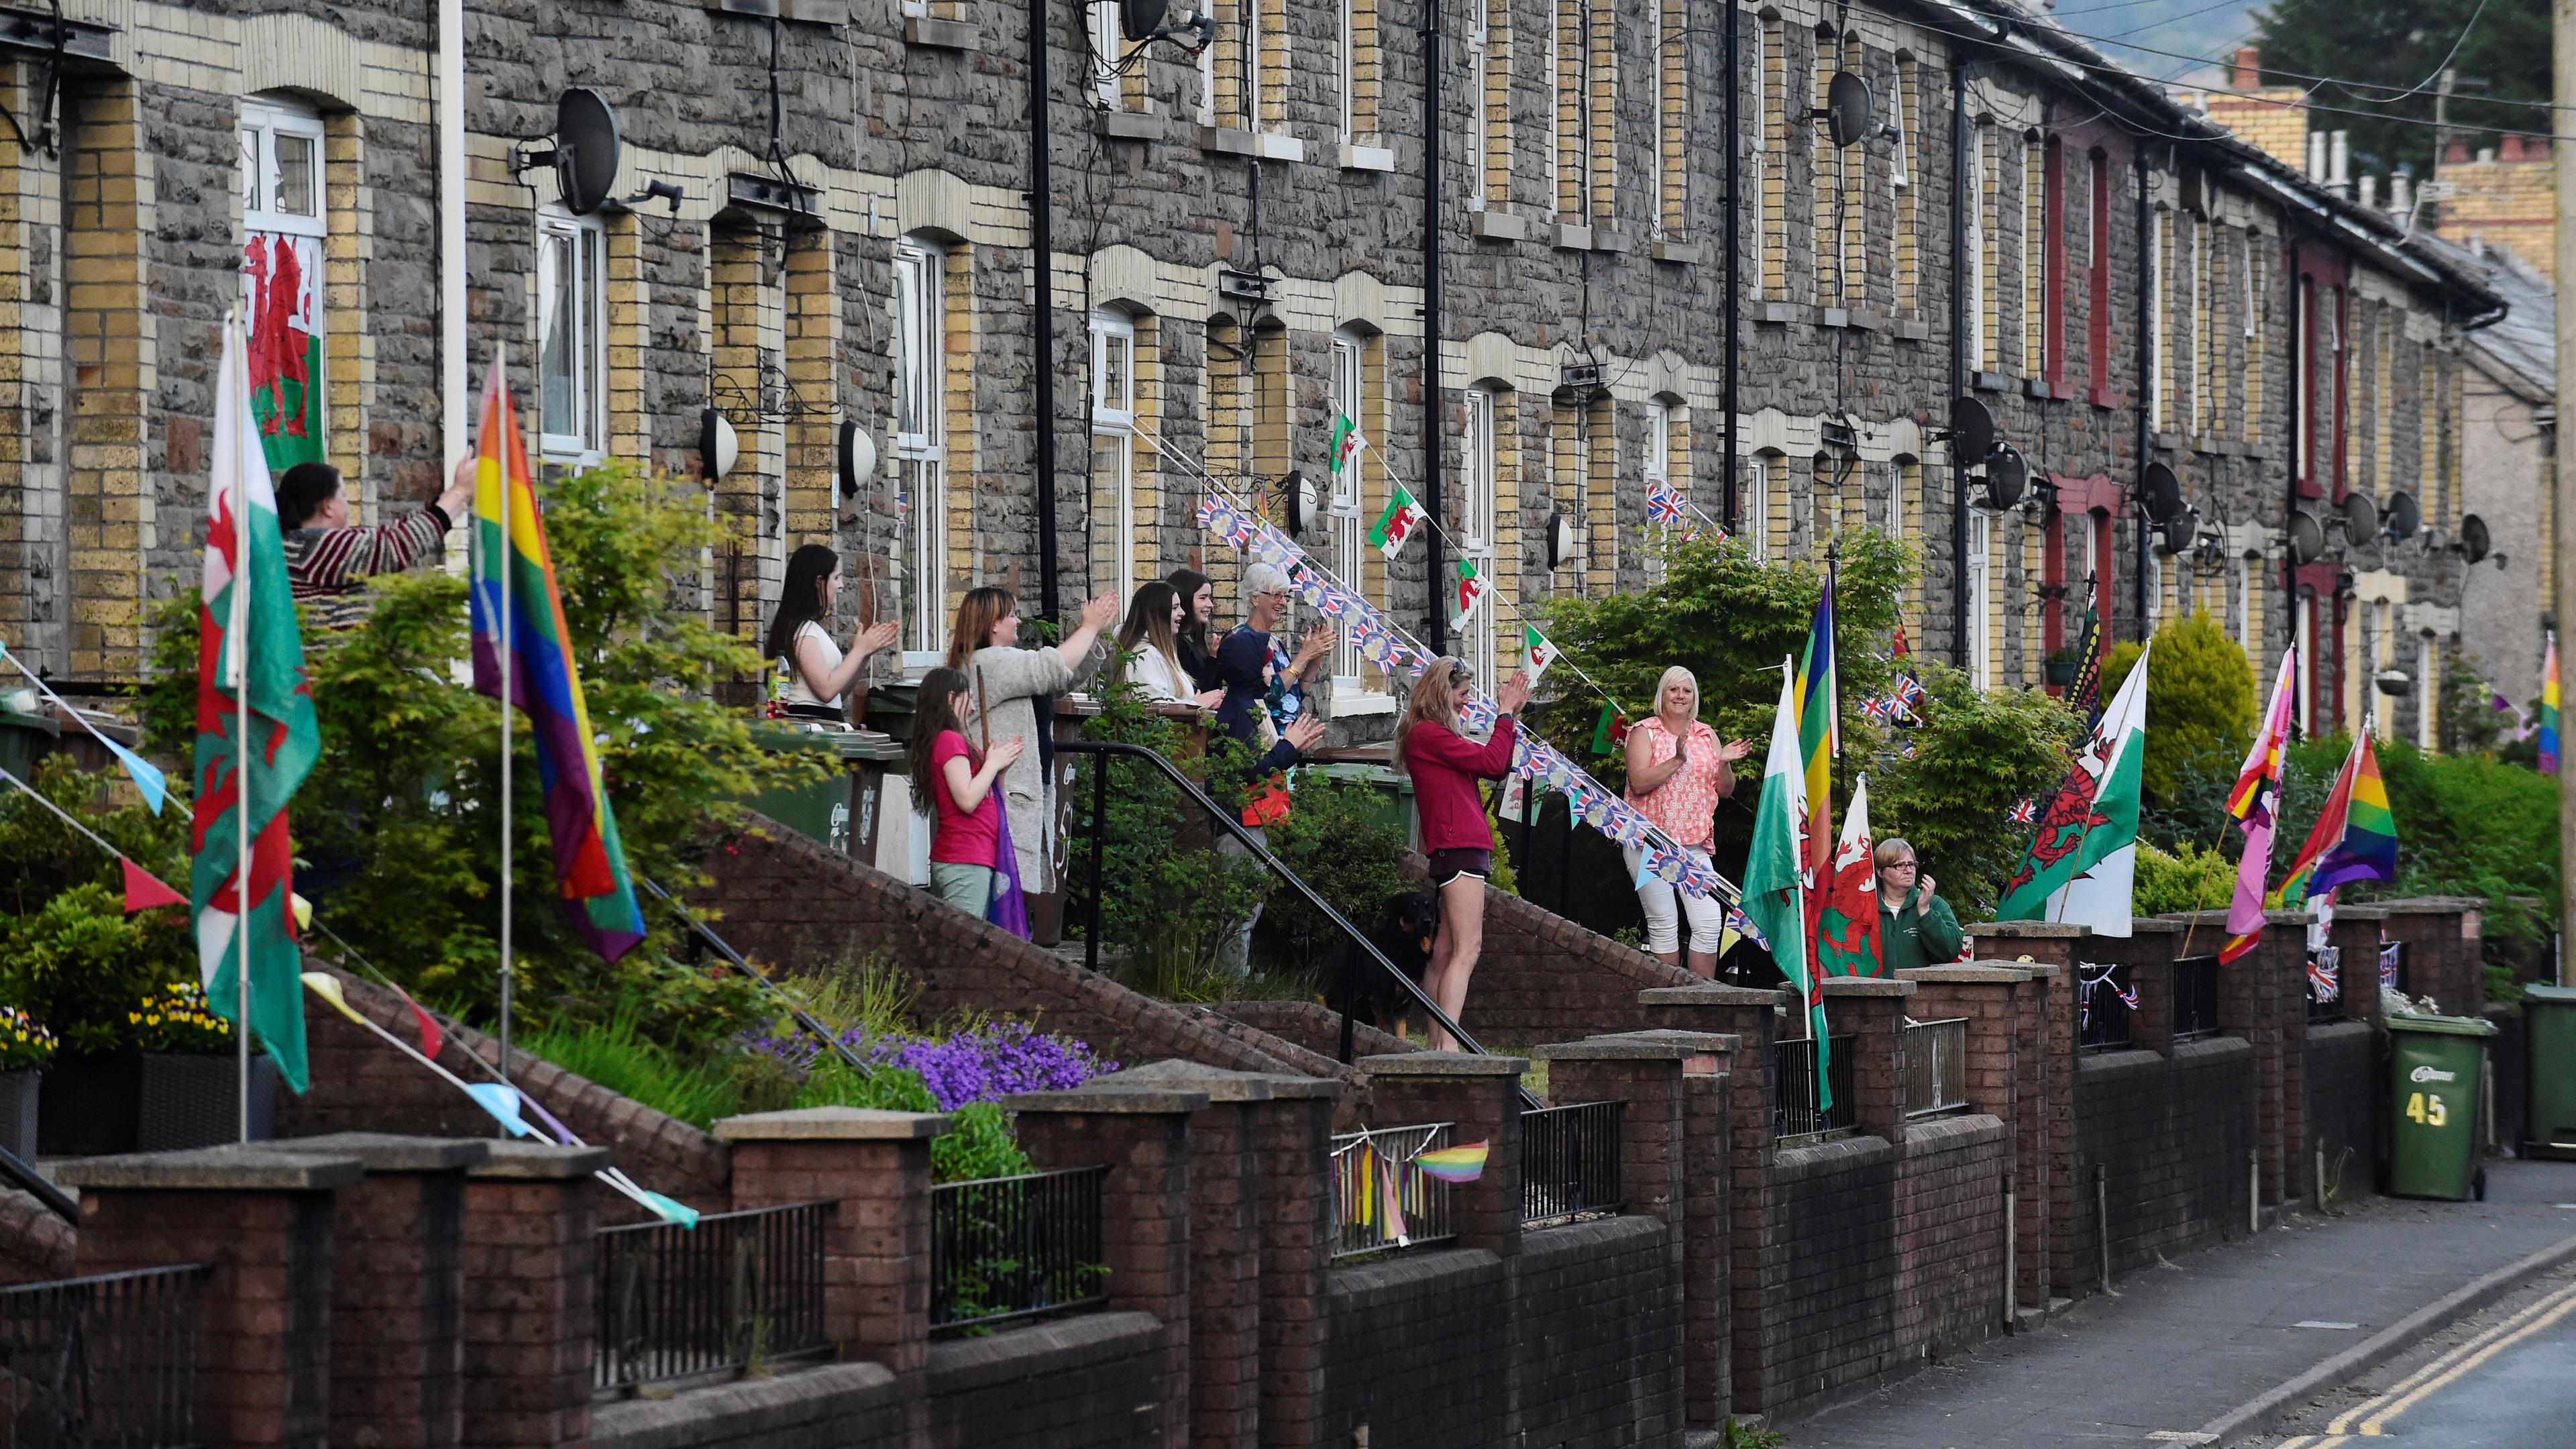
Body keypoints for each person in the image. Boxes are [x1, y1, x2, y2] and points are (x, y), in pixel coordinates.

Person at [946, 584, 1120, 896]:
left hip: (1020, 789)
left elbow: (1058, 681)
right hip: (1002, 794)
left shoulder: (1003, 662)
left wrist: (1091, 634)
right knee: (1002, 900)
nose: (1018, 621)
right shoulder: (988, 662)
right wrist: (1088, 627)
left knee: (1010, 899)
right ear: (992, 623)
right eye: (1011, 615)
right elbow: (1049, 668)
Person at [1397, 657, 1532, 1051]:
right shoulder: (1430, 735)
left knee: (1444, 952)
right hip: (1460, 846)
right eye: (1461, 695)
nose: (1466, 703)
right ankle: (1449, 1046)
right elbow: (1492, 764)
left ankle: (1439, 1042)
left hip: (1453, 845)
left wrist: (1510, 720)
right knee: (1468, 949)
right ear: (1441, 693)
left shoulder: (1432, 735)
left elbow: (1497, 761)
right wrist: (1504, 714)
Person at [1621, 665, 1754, 977]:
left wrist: (1723, 763)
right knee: (1664, 922)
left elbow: (1725, 791)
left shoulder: (1706, 734)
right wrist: (1678, 759)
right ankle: (1671, 1002)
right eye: (1674, 689)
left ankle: (1701, 999)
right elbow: (1639, 782)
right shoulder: (1644, 731)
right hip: (1648, 845)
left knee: (1709, 923)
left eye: (1687, 690)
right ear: (1662, 695)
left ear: (1694, 697)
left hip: (1694, 846)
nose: (1680, 696)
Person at [277, 458, 475, 630]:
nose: (348, 506)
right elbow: (392, 547)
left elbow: (387, 535)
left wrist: (454, 498)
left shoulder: (298, 544)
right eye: (344, 497)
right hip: (330, 671)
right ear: (328, 506)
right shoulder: (313, 547)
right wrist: (460, 491)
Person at [906, 665, 1026, 919]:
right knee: (963, 945)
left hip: (976, 855)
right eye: (967, 698)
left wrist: (999, 773)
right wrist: (992, 764)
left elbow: (988, 799)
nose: (972, 707)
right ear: (951, 699)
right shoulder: (950, 740)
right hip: (965, 858)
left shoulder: (953, 740)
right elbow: (967, 799)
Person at [763, 543, 901, 722]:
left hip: (823, 724)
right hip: (809, 728)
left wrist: (863, 655)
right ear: (819, 582)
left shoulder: (810, 628)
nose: (841, 585)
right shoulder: (802, 630)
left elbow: (837, 694)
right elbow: (826, 691)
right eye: (836, 578)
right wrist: (859, 650)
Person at [1214, 562, 1331, 771]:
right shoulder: (1241, 639)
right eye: (1277, 595)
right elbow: (1269, 692)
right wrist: (1303, 656)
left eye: (1285, 596)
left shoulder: (1273, 641)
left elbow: (1293, 696)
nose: (1283, 602)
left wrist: (1314, 660)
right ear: (1255, 598)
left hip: (1287, 743)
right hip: (1263, 742)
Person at [1111, 580, 1224, 708]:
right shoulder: (1145, 655)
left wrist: (1203, 704)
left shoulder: (1161, 651)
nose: (1183, 613)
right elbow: (1152, 703)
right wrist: (1194, 704)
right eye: (1175, 608)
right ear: (1157, 614)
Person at [1875, 837, 1965, 971]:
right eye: (1899, 865)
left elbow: (1950, 950)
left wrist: (1925, 911)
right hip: (1875, 990)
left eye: (1911, 864)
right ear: (1880, 871)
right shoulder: (1867, 907)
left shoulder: (1935, 904)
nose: (1908, 870)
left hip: (1920, 991)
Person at [1165, 567, 1224, 693]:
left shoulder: (1194, 639)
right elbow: (1195, 692)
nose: (1210, 604)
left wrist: (1216, 657)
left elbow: (1214, 690)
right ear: (1185, 599)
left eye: (1209, 598)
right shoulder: (1177, 643)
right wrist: (1213, 659)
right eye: (1203, 598)